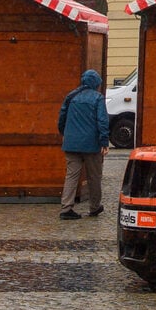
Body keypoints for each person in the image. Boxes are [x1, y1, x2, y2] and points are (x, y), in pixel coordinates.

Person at [57, 69, 109, 220]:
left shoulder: (71, 96)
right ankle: (94, 207)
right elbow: (102, 121)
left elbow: (62, 117)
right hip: (91, 144)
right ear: (96, 84)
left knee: (71, 176)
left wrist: (66, 134)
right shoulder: (98, 98)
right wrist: (104, 141)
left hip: (71, 143)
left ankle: (66, 208)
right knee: (94, 176)